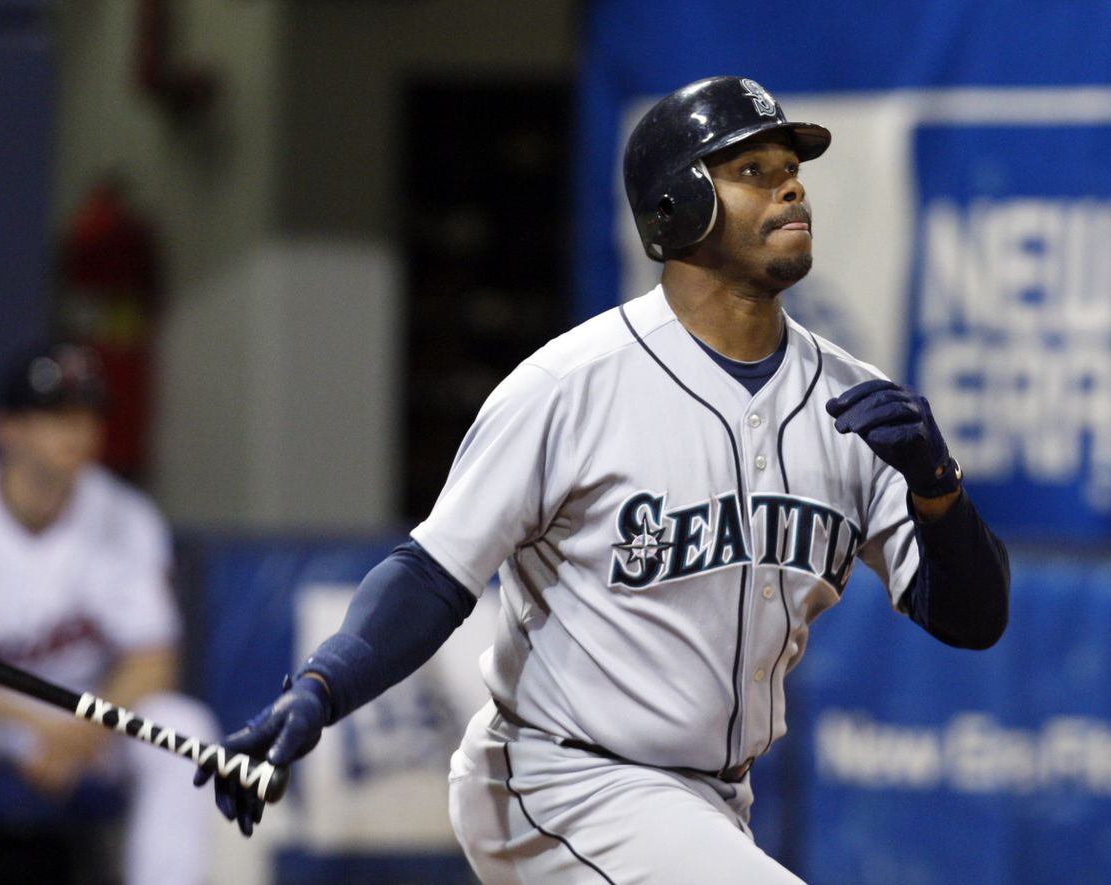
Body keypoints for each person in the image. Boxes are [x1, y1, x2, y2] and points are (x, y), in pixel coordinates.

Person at [198, 76, 1011, 883]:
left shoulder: (854, 403)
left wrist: (941, 494)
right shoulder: (571, 384)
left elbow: (972, 619)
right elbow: (433, 573)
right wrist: (318, 687)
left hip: (710, 803)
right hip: (559, 781)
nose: (791, 184)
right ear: (673, 209)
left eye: (789, 167)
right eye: (751, 170)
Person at [0, 341, 217, 885]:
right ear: (6, 428)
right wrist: (28, 722)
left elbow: (154, 661)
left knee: (184, 729)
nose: (78, 431)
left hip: (86, 719)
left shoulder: (126, 517)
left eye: (87, 414)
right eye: (55, 415)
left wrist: (83, 729)